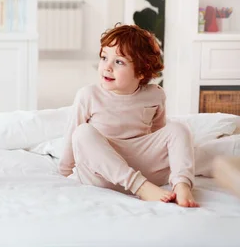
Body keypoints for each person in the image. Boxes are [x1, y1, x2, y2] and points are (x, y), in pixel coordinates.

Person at [58, 24, 199, 207]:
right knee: (82, 133)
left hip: (144, 169)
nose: (107, 67)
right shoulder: (89, 95)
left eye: (119, 62)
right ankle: (140, 187)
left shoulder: (155, 95)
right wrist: (64, 173)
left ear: (141, 71)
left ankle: (182, 185)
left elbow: (158, 135)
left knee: (178, 128)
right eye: (104, 58)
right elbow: (72, 139)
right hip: (102, 174)